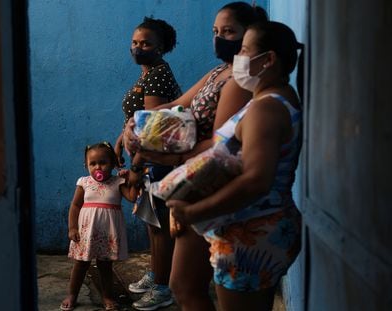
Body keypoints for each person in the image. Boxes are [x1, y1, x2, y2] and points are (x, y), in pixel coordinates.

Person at [123, 3, 268, 310]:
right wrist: (134, 126)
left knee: (186, 284)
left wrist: (164, 159)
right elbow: (177, 103)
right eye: (216, 31)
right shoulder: (219, 72)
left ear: (250, 35)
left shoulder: (240, 81)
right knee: (184, 284)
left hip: (206, 181)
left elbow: (221, 144)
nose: (220, 38)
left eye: (229, 31)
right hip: (191, 178)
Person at [165, 21, 304, 311]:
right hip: (246, 227)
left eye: (243, 50)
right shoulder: (272, 98)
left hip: (251, 235)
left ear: (268, 60)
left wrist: (193, 211)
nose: (238, 58)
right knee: (186, 285)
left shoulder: (267, 108)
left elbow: (256, 180)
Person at [113, 17, 182, 311]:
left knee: (161, 226)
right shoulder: (148, 73)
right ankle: (157, 275)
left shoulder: (157, 75)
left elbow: (153, 131)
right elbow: (137, 118)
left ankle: (164, 288)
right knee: (152, 224)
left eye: (146, 44)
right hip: (147, 160)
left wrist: (138, 167)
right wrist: (120, 140)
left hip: (158, 163)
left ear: (161, 48)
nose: (138, 48)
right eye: (135, 42)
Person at [60, 142, 138, 311]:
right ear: (86, 165)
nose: (98, 167)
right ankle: (72, 294)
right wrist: (72, 228)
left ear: (113, 163)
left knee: (105, 266)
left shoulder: (118, 182)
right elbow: (75, 206)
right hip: (86, 233)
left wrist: (131, 177)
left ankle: (107, 296)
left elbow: (132, 197)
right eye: (93, 163)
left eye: (103, 163)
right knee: (80, 264)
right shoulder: (84, 182)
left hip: (107, 235)